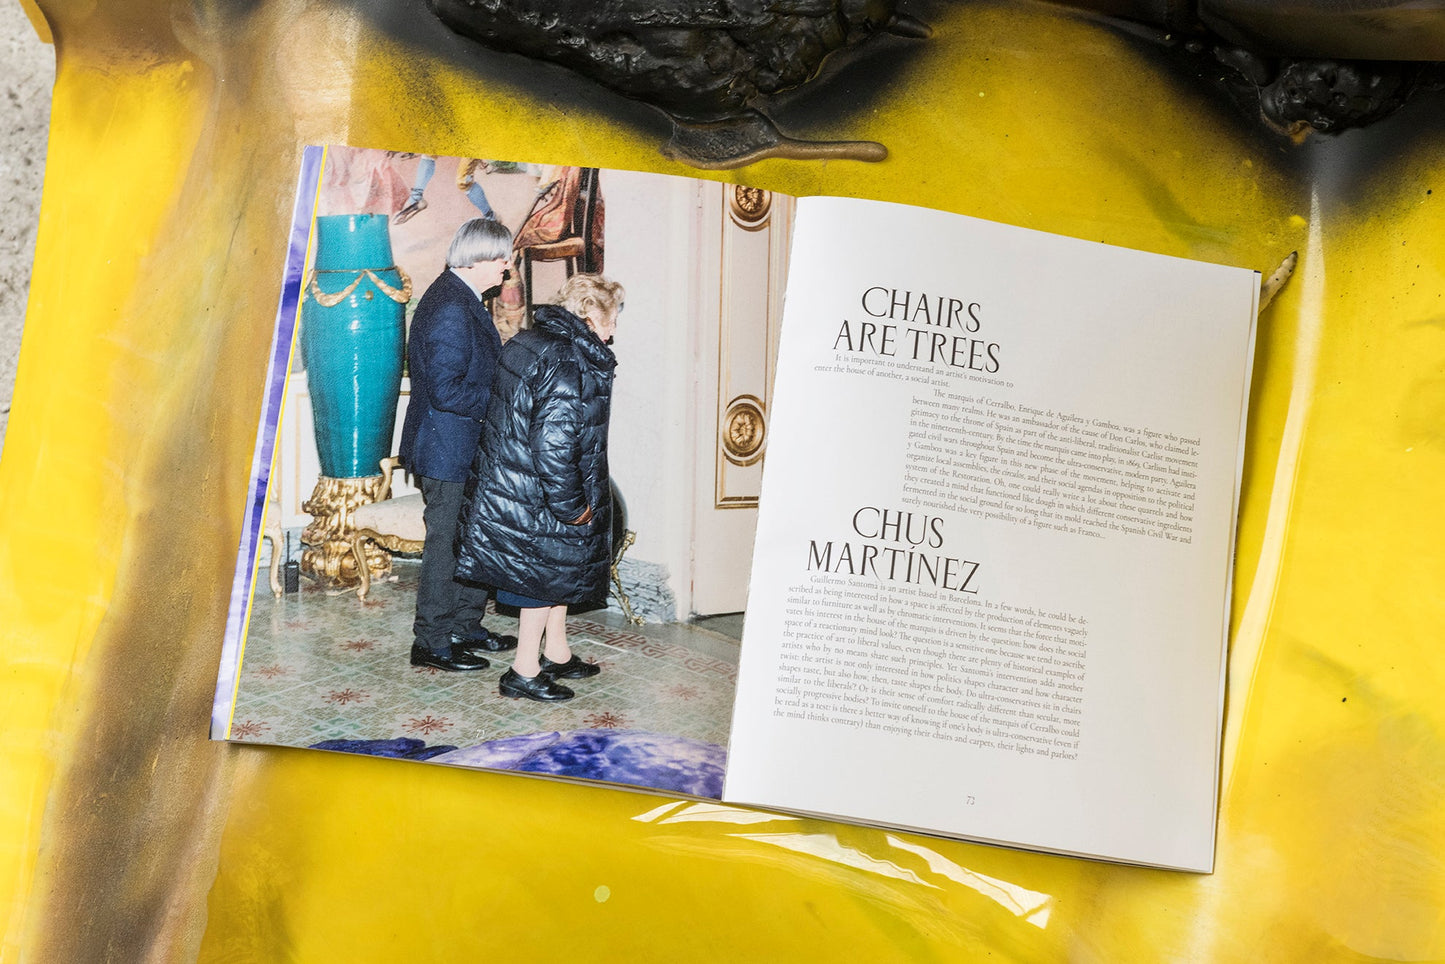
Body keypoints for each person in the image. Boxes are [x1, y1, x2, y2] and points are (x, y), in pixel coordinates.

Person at [456, 274, 625, 701]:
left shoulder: (532, 341)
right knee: (539, 581)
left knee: (556, 573)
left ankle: (556, 652)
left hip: (515, 485)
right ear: (590, 315)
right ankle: (524, 670)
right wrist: (571, 506)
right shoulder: (567, 359)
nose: (613, 330)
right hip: (538, 493)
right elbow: (554, 445)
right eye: (611, 319)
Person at [398, 218, 520, 671]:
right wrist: (504, 401)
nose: (506, 268)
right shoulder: (450, 305)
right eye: (502, 258)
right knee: (446, 546)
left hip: (462, 446)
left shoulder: (463, 297)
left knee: (471, 539)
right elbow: (447, 391)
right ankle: (430, 642)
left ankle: (464, 626)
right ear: (478, 257)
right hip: (445, 448)